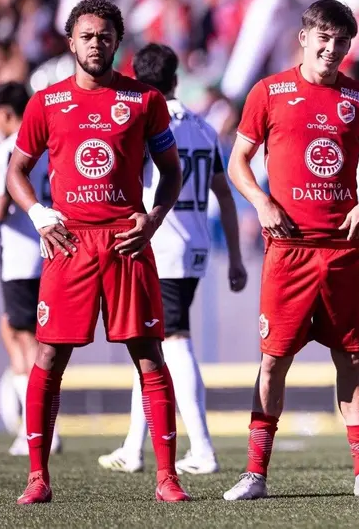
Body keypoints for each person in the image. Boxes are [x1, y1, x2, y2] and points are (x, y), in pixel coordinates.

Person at [7, 0, 189, 504]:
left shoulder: (144, 101)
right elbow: (16, 171)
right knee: (50, 354)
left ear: (117, 42)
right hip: (70, 245)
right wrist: (41, 214)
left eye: (105, 35)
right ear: (71, 42)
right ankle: (38, 478)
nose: (96, 43)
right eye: (86, 35)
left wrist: (152, 219)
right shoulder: (46, 102)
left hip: (127, 242)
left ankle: (167, 478)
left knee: (149, 357)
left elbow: (173, 171)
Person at [222, 0, 359, 500]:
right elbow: (238, 162)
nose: (332, 48)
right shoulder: (269, 91)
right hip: (288, 250)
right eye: (324, 38)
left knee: (351, 357)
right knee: (274, 360)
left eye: (341, 41)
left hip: (343, 250)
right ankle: (255, 473)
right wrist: (260, 202)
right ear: (304, 37)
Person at [98, 43, 247, 476]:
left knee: (173, 340)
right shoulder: (202, 127)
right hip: (195, 243)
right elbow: (224, 194)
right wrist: (234, 256)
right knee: (146, 341)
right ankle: (133, 446)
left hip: (161, 245)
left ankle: (202, 448)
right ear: (176, 80)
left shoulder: (148, 122)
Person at [0, 82, 62, 457]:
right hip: (45, 252)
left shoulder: (9, 149)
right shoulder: (45, 143)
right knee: (19, 333)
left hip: (21, 256)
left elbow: (1, 208)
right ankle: (37, 427)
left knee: (29, 340)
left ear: (4, 114)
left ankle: (42, 430)